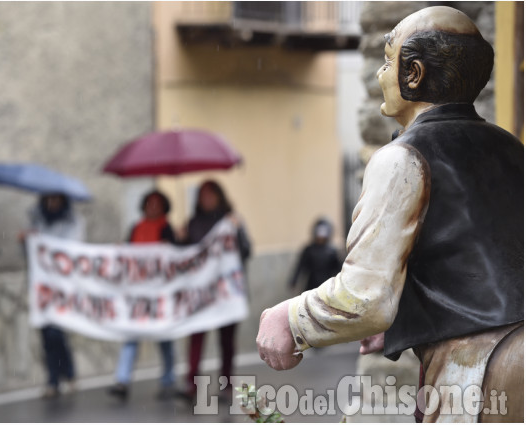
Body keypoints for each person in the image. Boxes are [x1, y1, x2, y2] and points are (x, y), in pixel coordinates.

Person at [256, 6, 523, 422]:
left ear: (413, 74)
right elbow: (478, 261)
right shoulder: (511, 149)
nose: (380, 75)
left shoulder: (401, 159)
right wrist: (409, 314)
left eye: (387, 61)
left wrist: (289, 319)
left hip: (476, 371)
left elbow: (367, 299)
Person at [181, 180, 252, 400]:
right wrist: (180, 239)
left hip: (225, 293)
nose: (207, 200)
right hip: (201, 294)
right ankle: (192, 384)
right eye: (203, 196)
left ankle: (226, 383)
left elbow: (246, 251)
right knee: (196, 337)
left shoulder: (231, 221)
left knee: (227, 341)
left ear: (219, 197)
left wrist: (238, 229)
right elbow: (183, 257)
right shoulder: (192, 224)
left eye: (210, 195)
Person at [107, 190, 177, 401]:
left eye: (156, 204)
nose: (152, 207)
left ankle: (168, 379)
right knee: (131, 336)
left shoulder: (167, 229)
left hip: (159, 295)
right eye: (149, 203)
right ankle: (122, 380)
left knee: (164, 338)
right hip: (137, 295)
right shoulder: (136, 228)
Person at [22, 193, 85, 398]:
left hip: (63, 287)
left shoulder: (73, 223)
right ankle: (54, 378)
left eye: (56, 200)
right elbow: (33, 256)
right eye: (48, 200)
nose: (52, 204)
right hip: (43, 288)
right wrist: (25, 242)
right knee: (46, 334)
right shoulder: (37, 221)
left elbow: (73, 250)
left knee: (56, 333)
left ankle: (65, 373)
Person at [288, 218, 341, 292]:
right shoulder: (309, 249)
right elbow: (300, 266)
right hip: (311, 284)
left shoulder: (332, 251)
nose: (321, 238)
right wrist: (294, 280)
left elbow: (338, 269)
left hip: (326, 285)